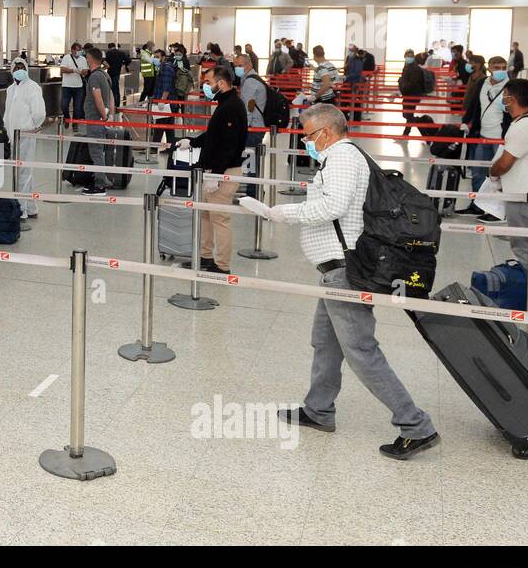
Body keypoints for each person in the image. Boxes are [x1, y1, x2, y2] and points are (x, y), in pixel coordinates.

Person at [267, 104, 440, 460]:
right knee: (325, 343)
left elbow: (333, 206)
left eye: (308, 135)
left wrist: (286, 213)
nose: (305, 141)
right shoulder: (339, 157)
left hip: (345, 272)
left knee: (360, 350)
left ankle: (415, 425)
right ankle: (319, 409)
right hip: (335, 271)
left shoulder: (342, 157)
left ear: (325, 133)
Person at [180, 63, 246, 273]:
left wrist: (216, 175)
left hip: (223, 172)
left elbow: (229, 145)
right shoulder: (224, 104)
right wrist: (192, 142)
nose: (205, 86)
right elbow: (214, 135)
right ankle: (206, 256)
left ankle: (222, 265)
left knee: (220, 219)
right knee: (206, 216)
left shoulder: (232, 106)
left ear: (221, 83)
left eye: (208, 82)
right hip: (213, 171)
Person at [489, 79, 528, 264]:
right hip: (523, 192)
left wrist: (493, 172)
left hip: (524, 196)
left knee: (524, 246)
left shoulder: (525, 127)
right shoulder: (526, 121)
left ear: (511, 99)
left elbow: (505, 163)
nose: (502, 99)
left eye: (504, 95)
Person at [456, 56, 510, 217]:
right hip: (482, 135)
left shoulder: (511, 85)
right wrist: (466, 122)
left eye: (503, 67)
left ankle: (496, 210)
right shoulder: (482, 83)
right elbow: (474, 105)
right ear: (490, 68)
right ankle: (477, 205)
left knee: (499, 175)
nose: (500, 70)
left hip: (501, 138)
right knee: (478, 172)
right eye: (497, 67)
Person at [3, 58, 45, 218]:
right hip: (13, 135)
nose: (19, 70)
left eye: (22, 67)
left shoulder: (32, 87)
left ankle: (22, 210)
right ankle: (30, 207)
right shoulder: (10, 89)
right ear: (12, 70)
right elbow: (7, 113)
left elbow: (39, 113)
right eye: (16, 67)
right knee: (20, 171)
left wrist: (31, 127)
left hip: (26, 134)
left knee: (24, 171)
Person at [81, 47, 116, 196]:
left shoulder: (95, 77)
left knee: (96, 152)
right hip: (103, 119)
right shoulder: (105, 75)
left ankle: (99, 185)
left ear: (90, 58)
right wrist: (111, 115)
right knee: (100, 151)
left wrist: (103, 116)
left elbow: (98, 97)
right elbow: (112, 96)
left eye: (86, 57)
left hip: (96, 119)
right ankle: (104, 179)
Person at [58, 42, 87, 133]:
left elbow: (86, 71)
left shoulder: (83, 59)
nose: (78, 52)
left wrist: (83, 72)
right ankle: (67, 118)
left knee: (77, 107)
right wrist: (73, 70)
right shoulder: (66, 58)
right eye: (77, 50)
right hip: (67, 86)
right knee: (64, 105)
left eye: (80, 50)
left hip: (78, 86)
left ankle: (75, 124)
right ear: (72, 50)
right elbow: (62, 69)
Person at [397, 49, 426, 135]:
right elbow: (405, 80)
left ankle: (419, 122)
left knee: (408, 115)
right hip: (408, 94)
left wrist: (403, 87)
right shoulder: (407, 66)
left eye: (411, 56)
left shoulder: (415, 68)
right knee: (407, 115)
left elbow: (413, 83)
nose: (409, 58)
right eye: (407, 56)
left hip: (413, 95)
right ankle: (407, 132)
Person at [104, 42, 128, 108]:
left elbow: (106, 63)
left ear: (109, 47)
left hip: (110, 73)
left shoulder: (109, 53)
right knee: (116, 89)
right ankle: (117, 104)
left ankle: (112, 104)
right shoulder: (121, 53)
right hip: (117, 73)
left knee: (111, 89)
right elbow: (128, 60)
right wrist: (122, 64)